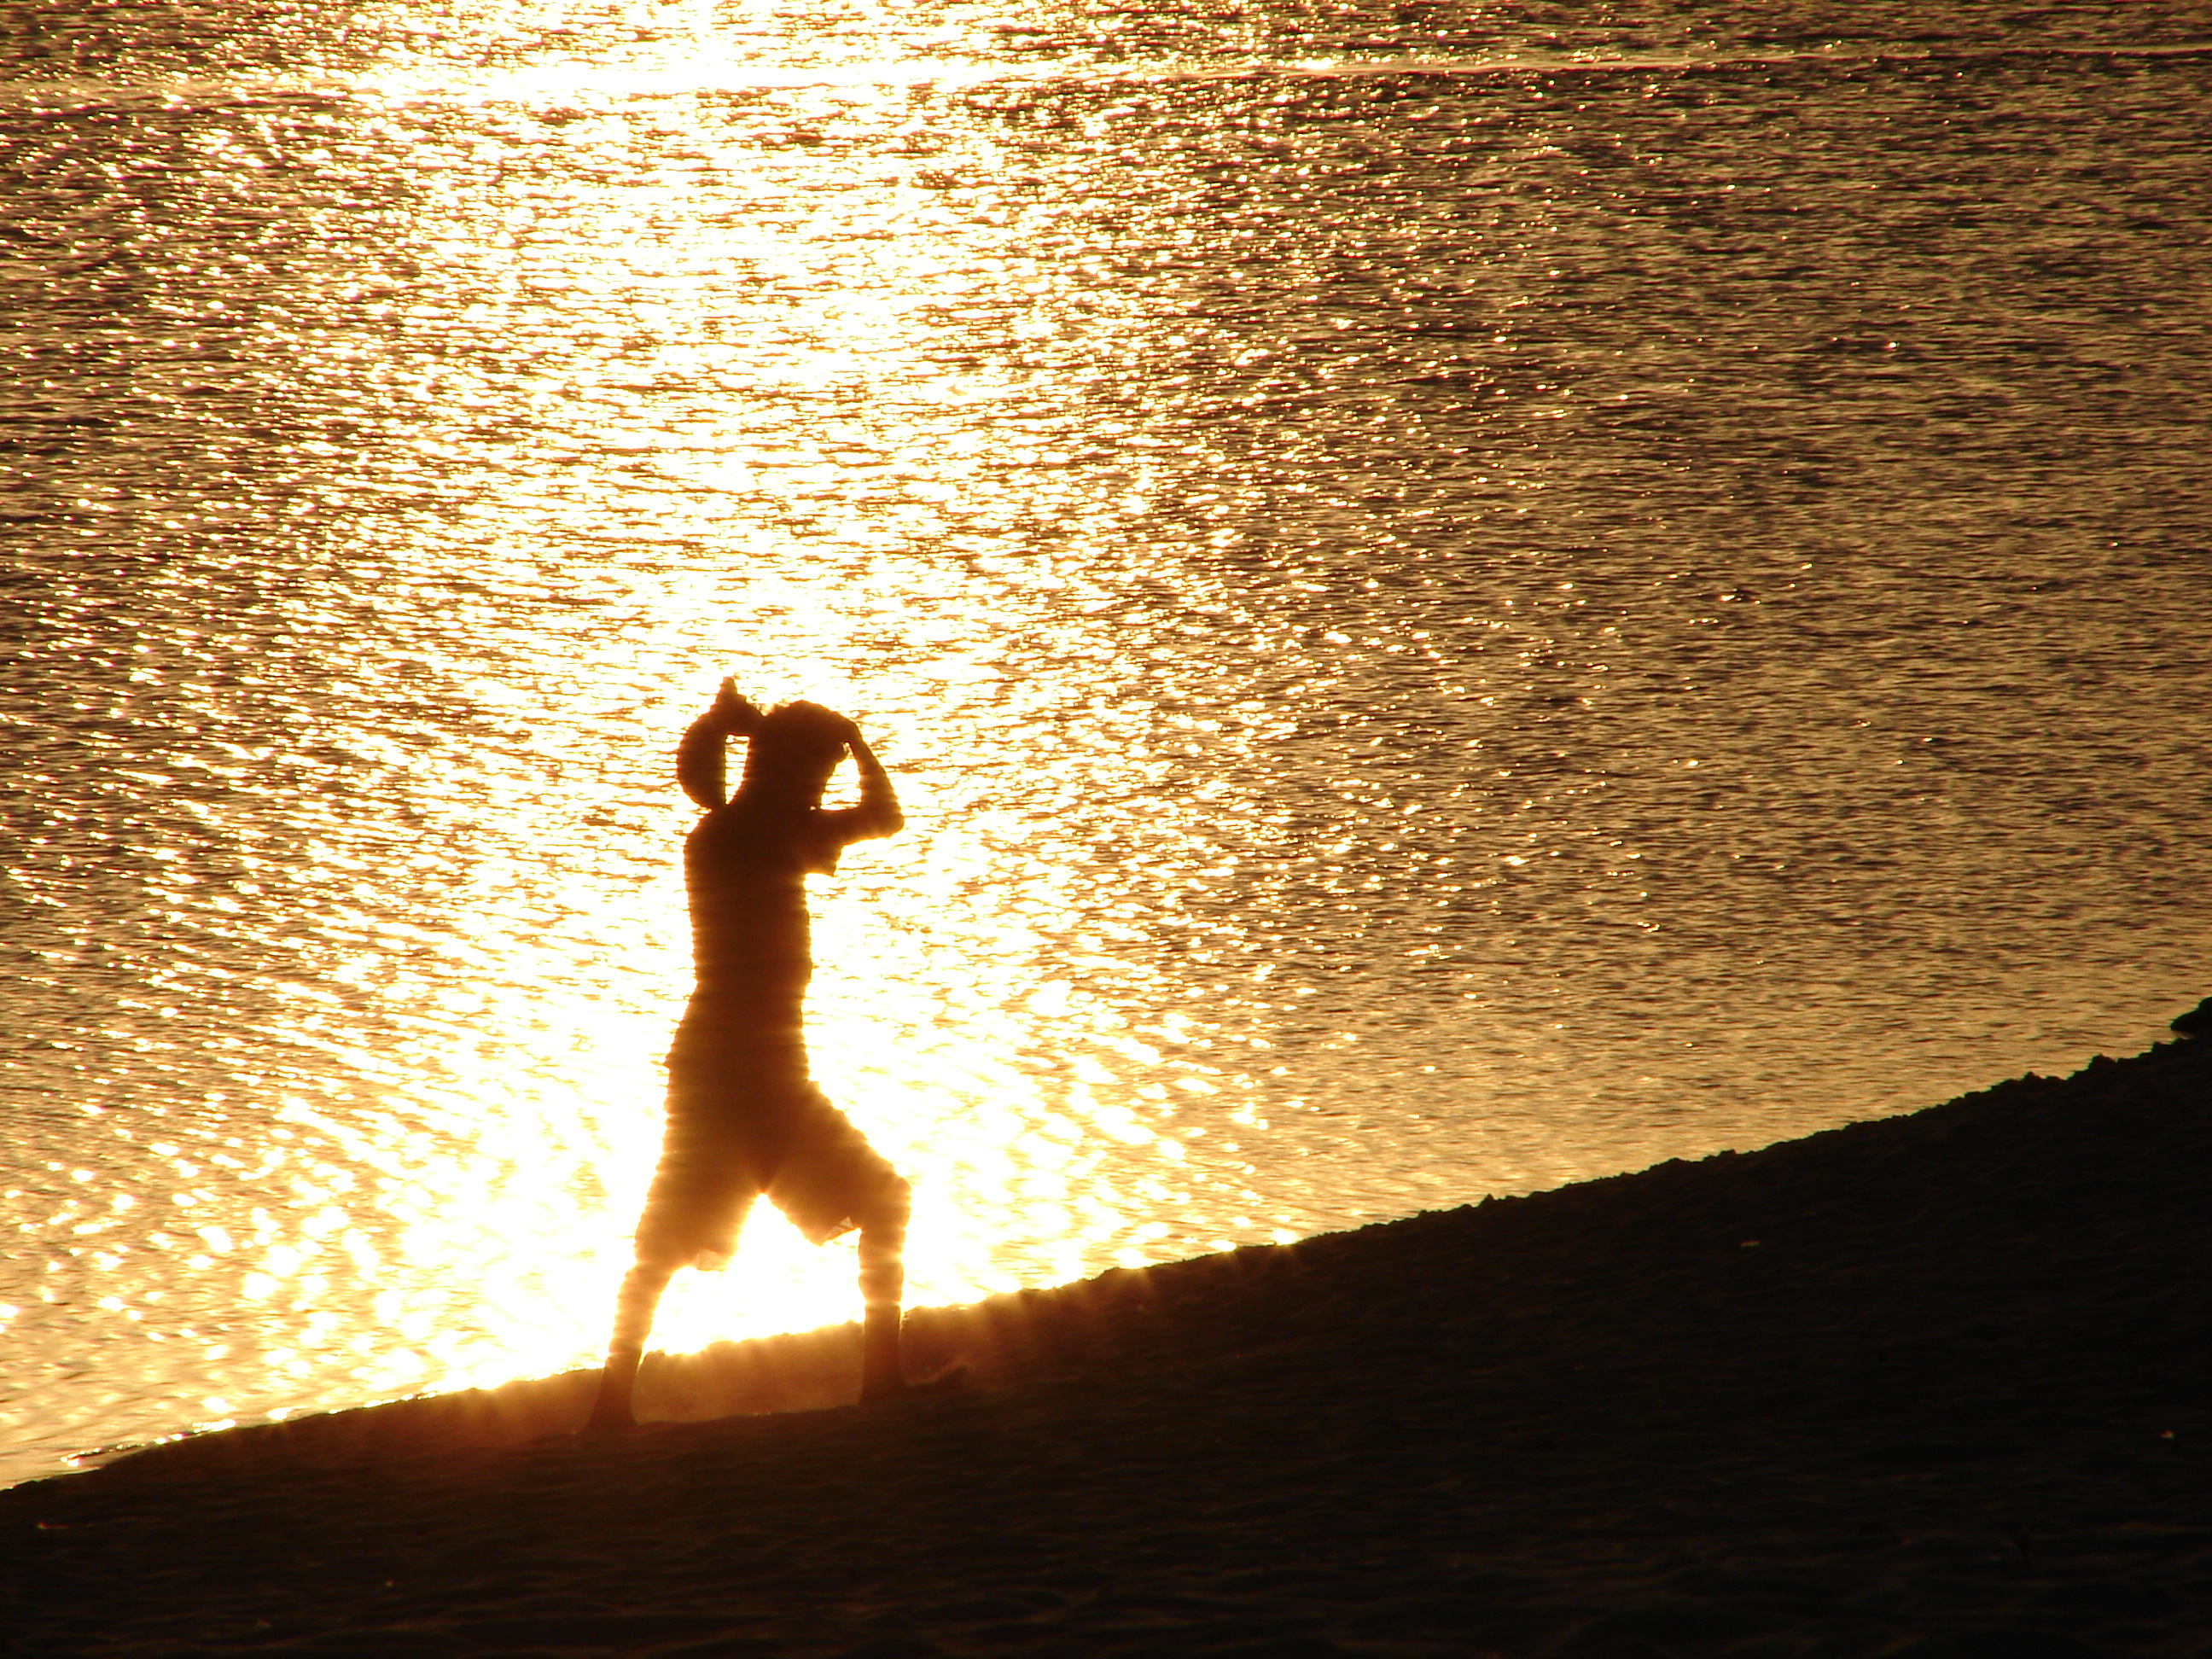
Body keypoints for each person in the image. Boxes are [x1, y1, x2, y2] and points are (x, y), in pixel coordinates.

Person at [586, 678, 911, 1431]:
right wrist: (857, 742)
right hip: (749, 1072)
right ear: (795, 774)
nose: (823, 787)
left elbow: (703, 784)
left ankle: (609, 1405)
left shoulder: (727, 831)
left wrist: (724, 726)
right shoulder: (772, 834)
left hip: (729, 1066)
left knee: (663, 1243)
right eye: (821, 771)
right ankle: (882, 1382)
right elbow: (887, 817)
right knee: (881, 1201)